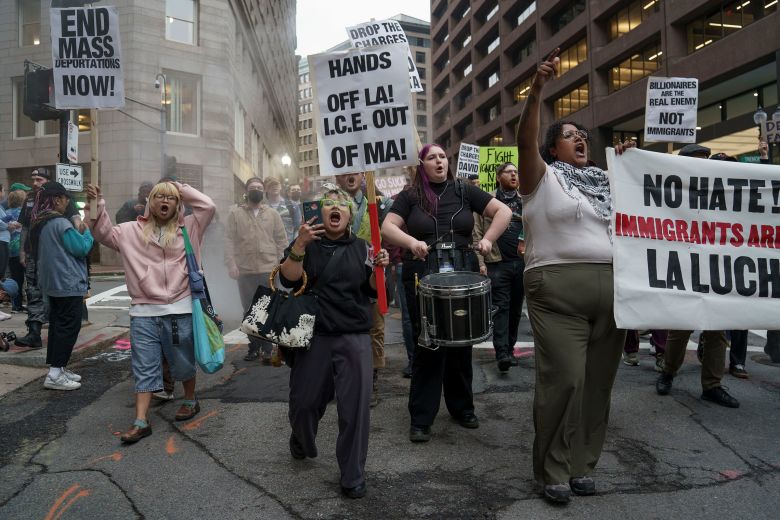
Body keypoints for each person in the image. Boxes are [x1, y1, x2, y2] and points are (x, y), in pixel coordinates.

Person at [515, 49, 632, 504]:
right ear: (552, 149)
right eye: (568, 135)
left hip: (613, 295)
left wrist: (630, 164)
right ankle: (553, 469)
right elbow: (525, 140)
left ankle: (583, 465)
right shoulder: (541, 178)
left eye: (582, 134)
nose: (579, 138)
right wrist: (537, 91)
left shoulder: (608, 180)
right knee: (565, 380)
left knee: (597, 385)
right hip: (557, 293)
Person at [381, 143, 511, 443]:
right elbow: (387, 227)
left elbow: (503, 211)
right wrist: (411, 242)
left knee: (461, 341)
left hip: (462, 269)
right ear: (422, 165)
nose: (439, 161)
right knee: (428, 342)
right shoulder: (410, 196)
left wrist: (488, 240)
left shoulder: (464, 190)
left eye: (442, 156)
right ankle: (421, 418)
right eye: (432, 158)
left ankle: (462, 408)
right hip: (423, 272)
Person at [86, 180, 216, 443]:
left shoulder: (189, 228)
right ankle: (140, 420)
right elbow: (102, 233)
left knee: (182, 360)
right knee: (144, 365)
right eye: (159, 196)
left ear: (178, 203)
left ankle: (190, 399)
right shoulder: (130, 231)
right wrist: (96, 203)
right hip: (143, 312)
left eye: (171, 198)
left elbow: (208, 206)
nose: (164, 201)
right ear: (150, 202)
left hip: (180, 309)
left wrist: (179, 187)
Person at [281, 188, 389, 499]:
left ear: (350, 215)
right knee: (304, 403)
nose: (335, 207)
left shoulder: (364, 247)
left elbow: (374, 292)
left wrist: (379, 269)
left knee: (355, 409)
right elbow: (288, 279)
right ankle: (301, 437)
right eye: (329, 203)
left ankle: (353, 474)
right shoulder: (306, 243)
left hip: (354, 335)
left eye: (342, 203)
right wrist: (299, 245)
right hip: (313, 335)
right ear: (320, 211)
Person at [655, 145, 739, 408]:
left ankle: (712, 385)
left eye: (706, 161)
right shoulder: (673, 192)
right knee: (680, 328)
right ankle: (668, 372)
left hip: (716, 267)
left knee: (717, 331)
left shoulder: (721, 192)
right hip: (685, 266)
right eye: (697, 161)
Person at [336, 172, 393, 407]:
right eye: (344, 172)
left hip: (371, 273)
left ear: (363, 175)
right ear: (337, 176)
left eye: (355, 171)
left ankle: (371, 381)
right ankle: (341, 377)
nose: (350, 175)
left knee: (375, 328)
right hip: (340, 277)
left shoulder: (380, 203)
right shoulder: (330, 202)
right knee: (339, 327)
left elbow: (398, 220)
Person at [29, 182, 93, 390]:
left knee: (58, 326)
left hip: (52, 283)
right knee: (68, 327)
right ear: (56, 200)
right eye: (66, 199)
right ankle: (55, 374)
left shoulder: (40, 222)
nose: (67, 203)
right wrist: (87, 232)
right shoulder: (61, 223)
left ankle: (58, 369)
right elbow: (81, 247)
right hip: (67, 283)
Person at [16, 168, 80, 349]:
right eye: (33, 179)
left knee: (56, 292)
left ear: (48, 181)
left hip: (55, 255)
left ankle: (57, 333)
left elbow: (76, 219)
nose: (35, 183)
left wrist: (79, 231)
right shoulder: (30, 200)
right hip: (33, 254)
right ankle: (34, 333)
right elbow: (25, 227)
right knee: (33, 291)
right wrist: (23, 251)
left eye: (39, 180)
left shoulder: (60, 198)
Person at [224, 177, 287, 363]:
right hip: (244, 270)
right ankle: (254, 347)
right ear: (246, 191)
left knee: (267, 308)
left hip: (269, 269)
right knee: (249, 309)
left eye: (260, 187)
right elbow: (228, 240)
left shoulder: (273, 214)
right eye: (253, 187)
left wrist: (282, 264)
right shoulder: (235, 214)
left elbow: (281, 241)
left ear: (264, 191)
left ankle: (267, 348)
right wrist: (231, 264)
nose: (257, 190)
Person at [473, 161, 525, 373]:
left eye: (516, 172)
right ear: (498, 177)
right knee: (501, 308)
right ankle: (502, 353)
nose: (514, 175)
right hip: (497, 264)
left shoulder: (525, 201)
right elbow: (477, 233)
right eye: (509, 172)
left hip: (521, 264)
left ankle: (510, 348)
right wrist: (481, 263)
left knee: (515, 309)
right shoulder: (487, 202)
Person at [5, 188, 27, 312]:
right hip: (23, 249)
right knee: (29, 278)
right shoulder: (23, 212)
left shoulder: (6, 213)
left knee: (15, 278)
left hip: (10, 250)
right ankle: (32, 304)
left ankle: (16, 305)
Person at [265, 176, 297, 241]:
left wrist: (294, 245)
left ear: (280, 186)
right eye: (271, 185)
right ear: (265, 189)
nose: (274, 187)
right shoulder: (262, 208)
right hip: (269, 245)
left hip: (288, 245)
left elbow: (297, 228)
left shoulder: (292, 205)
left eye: (276, 184)